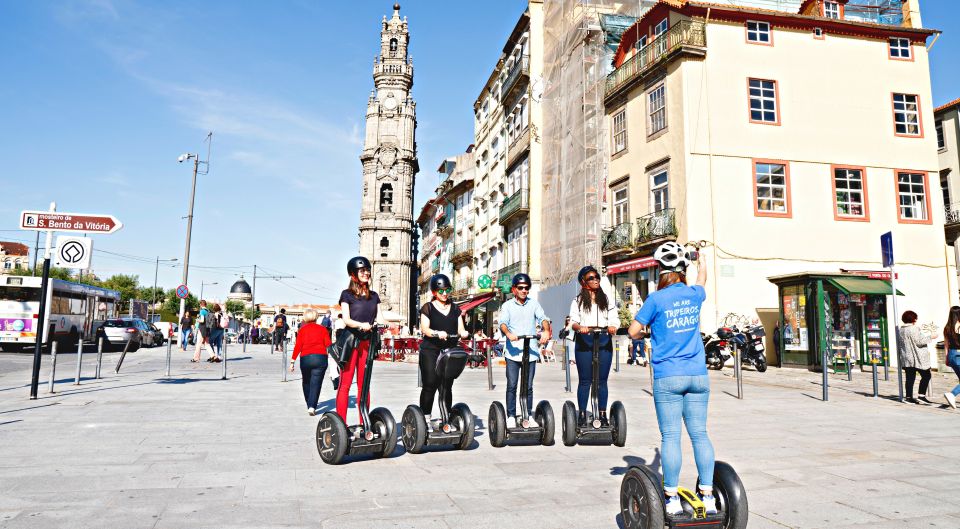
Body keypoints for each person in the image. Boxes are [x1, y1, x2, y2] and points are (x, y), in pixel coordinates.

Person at [628, 242, 716, 516]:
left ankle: (672, 498)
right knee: (700, 434)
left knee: (671, 437)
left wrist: (647, 334)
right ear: (682, 270)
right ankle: (709, 496)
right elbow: (702, 278)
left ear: (661, 271)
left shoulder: (656, 299)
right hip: (697, 375)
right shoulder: (693, 294)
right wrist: (700, 259)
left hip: (668, 375)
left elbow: (632, 331)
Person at [499, 273, 552, 428]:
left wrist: (546, 331)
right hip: (513, 353)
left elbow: (543, 318)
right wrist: (508, 334)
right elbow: (502, 322)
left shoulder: (533, 304)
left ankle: (527, 414)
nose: (524, 291)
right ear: (514, 289)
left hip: (531, 353)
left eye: (527, 288)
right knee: (512, 385)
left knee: (528, 386)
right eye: (521, 288)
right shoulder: (507, 306)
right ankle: (510, 415)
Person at [568, 265, 619, 426]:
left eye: (597, 277)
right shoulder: (577, 301)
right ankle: (582, 414)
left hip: (603, 340)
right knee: (585, 381)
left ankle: (602, 415)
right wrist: (579, 327)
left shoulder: (607, 299)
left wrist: (613, 326)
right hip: (584, 342)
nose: (596, 280)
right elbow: (573, 321)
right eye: (591, 278)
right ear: (583, 281)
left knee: (602, 381)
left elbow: (614, 318)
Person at [337, 256, 385, 425]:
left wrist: (384, 323)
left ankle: (364, 422)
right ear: (353, 275)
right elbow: (347, 319)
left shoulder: (374, 296)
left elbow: (380, 317)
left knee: (364, 386)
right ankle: (341, 424)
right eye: (362, 270)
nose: (366, 273)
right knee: (345, 384)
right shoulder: (346, 295)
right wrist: (361, 325)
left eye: (367, 270)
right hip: (350, 343)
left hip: (367, 343)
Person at [418, 274, 470, 430]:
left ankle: (446, 418)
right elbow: (424, 329)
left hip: (450, 350)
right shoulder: (428, 307)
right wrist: (436, 333)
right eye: (441, 291)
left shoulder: (455, 308)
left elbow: (460, 327)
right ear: (434, 292)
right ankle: (425, 418)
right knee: (430, 383)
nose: (445, 293)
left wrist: (464, 332)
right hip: (430, 350)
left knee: (447, 385)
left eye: (447, 290)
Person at [289, 309, 332, 416]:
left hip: (306, 358)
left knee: (306, 382)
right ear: (316, 317)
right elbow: (328, 344)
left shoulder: (302, 330)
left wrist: (292, 361)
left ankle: (309, 403)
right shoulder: (323, 329)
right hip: (321, 358)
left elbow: (298, 346)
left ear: (305, 318)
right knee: (316, 383)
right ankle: (312, 406)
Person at [897, 310, 934, 404]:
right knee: (926, 375)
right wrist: (931, 337)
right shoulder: (914, 328)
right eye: (915, 318)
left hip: (907, 357)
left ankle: (909, 397)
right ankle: (921, 396)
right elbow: (919, 341)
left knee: (910, 377)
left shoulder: (901, 330)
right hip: (917, 357)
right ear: (913, 319)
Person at [942, 306, 960, 409]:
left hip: (952, 355)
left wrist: (947, 358)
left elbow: (946, 344)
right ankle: (952, 394)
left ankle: (952, 395)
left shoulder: (947, 328)